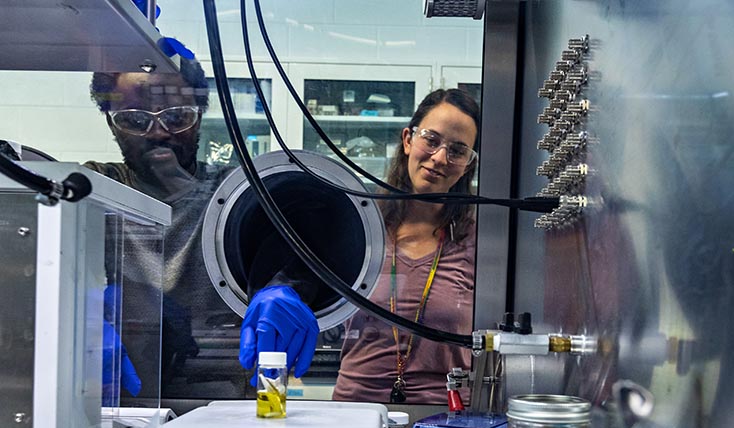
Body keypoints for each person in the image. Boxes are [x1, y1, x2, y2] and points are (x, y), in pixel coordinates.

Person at [84, 59, 317, 401]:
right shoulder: (90, 188)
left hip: (228, 411)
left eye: (177, 117)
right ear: (110, 121)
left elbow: (300, 254)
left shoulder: (237, 195)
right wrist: (78, 318)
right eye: (135, 119)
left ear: (199, 116)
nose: (159, 132)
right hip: (111, 411)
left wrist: (289, 286)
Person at [332, 88, 479, 405]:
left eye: (457, 150)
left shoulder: (476, 241)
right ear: (408, 139)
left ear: (467, 165)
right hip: (355, 411)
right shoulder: (361, 228)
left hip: (444, 421)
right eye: (432, 139)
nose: (440, 157)